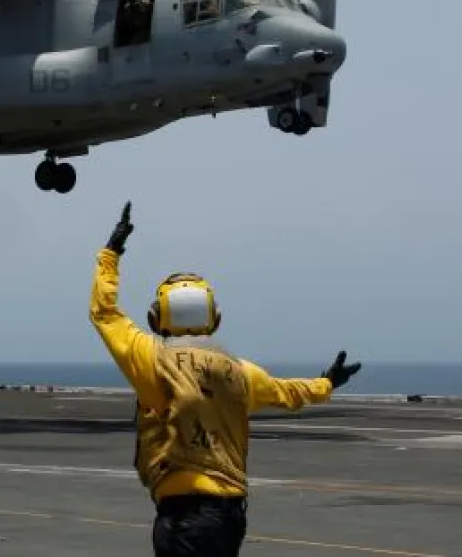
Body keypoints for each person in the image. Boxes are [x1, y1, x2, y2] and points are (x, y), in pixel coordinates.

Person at [89, 201, 361, 557]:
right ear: (214, 318)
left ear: (157, 318)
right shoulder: (238, 372)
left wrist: (112, 251)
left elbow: (104, 313)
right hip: (229, 515)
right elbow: (289, 393)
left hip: (185, 515)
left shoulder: (153, 360)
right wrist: (326, 383)